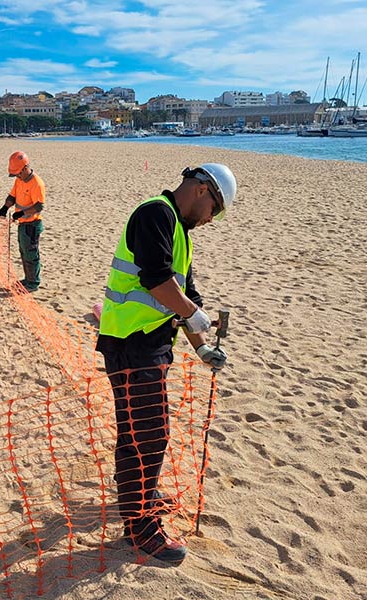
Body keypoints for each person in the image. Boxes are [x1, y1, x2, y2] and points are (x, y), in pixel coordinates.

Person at [96, 163, 236, 565]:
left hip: (149, 345)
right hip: (131, 344)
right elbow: (157, 281)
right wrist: (192, 313)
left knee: (140, 432)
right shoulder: (155, 214)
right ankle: (140, 527)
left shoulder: (178, 230)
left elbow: (184, 295)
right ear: (202, 189)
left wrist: (202, 348)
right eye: (215, 210)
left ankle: (139, 495)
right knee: (149, 435)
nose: (211, 220)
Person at [0, 151, 45, 292]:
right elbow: (12, 196)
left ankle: (33, 283)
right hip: (22, 224)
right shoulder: (19, 180)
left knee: (31, 254)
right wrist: (5, 207)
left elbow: (39, 206)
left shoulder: (37, 184)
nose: (16, 176)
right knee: (24, 252)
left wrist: (22, 213)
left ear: (25, 168)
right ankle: (28, 279)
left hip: (32, 224)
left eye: (18, 173)